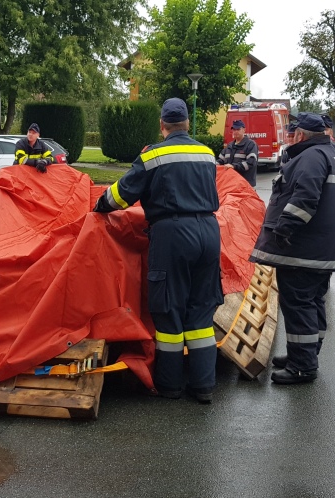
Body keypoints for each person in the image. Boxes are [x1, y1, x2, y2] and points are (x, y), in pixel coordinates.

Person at [93, 98, 222, 403]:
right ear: (187, 124)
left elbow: (122, 195)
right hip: (209, 231)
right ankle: (204, 386)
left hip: (173, 234)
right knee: (201, 311)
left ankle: (170, 385)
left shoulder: (153, 155)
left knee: (168, 309)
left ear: (162, 125)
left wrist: (99, 205)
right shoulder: (206, 153)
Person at [249, 113, 335, 385]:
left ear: (301, 135)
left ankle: (302, 366)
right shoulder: (332, 156)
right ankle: (304, 354)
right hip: (322, 249)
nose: (291, 138)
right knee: (313, 301)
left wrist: (285, 229)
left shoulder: (311, 157)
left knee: (298, 304)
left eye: (293, 134)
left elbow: (305, 197)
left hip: (302, 249)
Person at [217, 119, 259, 186]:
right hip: (230, 183)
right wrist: (211, 165)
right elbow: (221, 161)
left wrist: (234, 166)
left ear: (244, 130)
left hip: (245, 184)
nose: (236, 131)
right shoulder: (230, 146)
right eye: (234, 130)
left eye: (238, 129)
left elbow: (251, 163)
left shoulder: (251, 144)